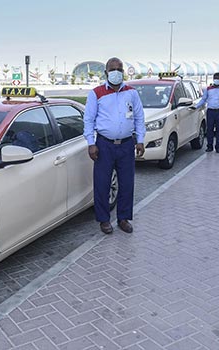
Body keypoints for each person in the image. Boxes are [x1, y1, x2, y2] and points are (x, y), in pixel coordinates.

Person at [83, 57, 146, 235]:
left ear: (123, 72)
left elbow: (139, 117)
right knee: (102, 183)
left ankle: (123, 218)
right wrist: (91, 143)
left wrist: (140, 140)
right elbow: (88, 120)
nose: (116, 72)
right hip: (104, 145)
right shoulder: (96, 93)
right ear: (106, 73)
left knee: (127, 183)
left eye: (119, 69)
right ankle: (104, 220)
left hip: (127, 144)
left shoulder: (132, 93)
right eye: (113, 69)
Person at [190, 72, 219, 153]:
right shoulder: (208, 89)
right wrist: (196, 106)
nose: (216, 80)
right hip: (210, 111)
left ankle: (218, 147)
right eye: (215, 78)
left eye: (218, 78)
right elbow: (203, 99)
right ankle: (209, 146)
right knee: (209, 130)